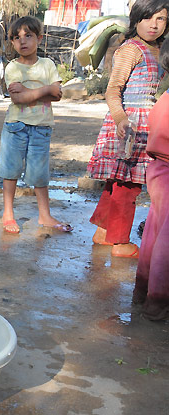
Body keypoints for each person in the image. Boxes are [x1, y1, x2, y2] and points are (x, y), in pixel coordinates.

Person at [87, 0, 168, 258]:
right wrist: (122, 120)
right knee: (128, 185)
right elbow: (113, 90)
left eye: (161, 19)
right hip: (129, 126)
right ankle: (120, 243)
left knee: (117, 181)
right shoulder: (131, 49)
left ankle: (103, 231)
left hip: (145, 125)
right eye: (148, 18)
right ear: (136, 20)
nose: (154, 25)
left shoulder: (159, 50)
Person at [0, 16, 70, 234]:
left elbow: (57, 94)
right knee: (11, 171)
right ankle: (8, 214)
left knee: (40, 174)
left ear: (39, 38)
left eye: (28, 35)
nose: (23, 41)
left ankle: (44, 215)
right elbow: (18, 100)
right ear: (12, 42)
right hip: (16, 126)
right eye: (17, 38)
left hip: (41, 127)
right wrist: (44, 90)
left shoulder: (48, 65)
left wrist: (34, 92)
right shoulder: (12, 68)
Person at [133, 39, 169, 320]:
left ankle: (142, 292)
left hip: (157, 171)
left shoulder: (164, 99)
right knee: (166, 240)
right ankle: (158, 301)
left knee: (154, 233)